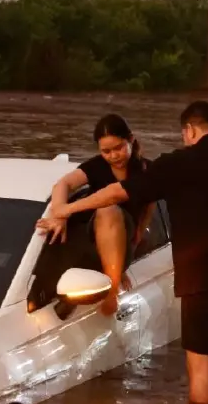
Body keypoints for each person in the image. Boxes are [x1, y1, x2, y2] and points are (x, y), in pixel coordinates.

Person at [38, 101, 208, 404]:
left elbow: (117, 193)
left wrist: (66, 209)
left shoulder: (175, 163)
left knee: (201, 373)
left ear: (189, 130)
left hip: (201, 280)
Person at [38, 114, 154, 316]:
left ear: (131, 139)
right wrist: (59, 214)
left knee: (108, 208)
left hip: (124, 238)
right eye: (106, 151)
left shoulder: (146, 170)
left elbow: (150, 206)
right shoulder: (96, 166)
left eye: (118, 148)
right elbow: (63, 184)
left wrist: (138, 235)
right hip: (92, 239)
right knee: (103, 213)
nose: (113, 156)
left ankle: (112, 290)